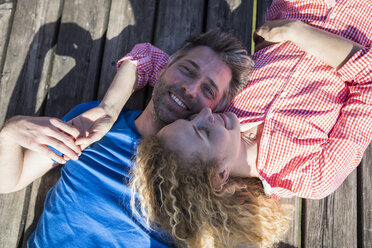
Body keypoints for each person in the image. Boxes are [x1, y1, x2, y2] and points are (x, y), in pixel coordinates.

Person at [0, 31, 254, 247]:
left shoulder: (206, 175)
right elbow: (10, 179)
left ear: (215, 111)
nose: (190, 88)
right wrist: (11, 132)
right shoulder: (91, 123)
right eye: (187, 69)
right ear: (165, 68)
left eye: (208, 90)